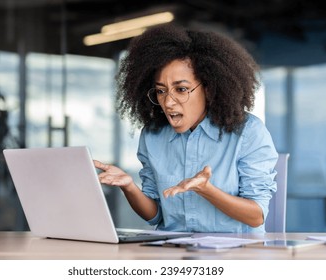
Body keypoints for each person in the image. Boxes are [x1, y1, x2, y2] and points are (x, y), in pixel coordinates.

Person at [94, 24, 278, 233]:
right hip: (173, 253)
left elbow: (256, 216)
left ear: (209, 89)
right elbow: (155, 216)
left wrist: (206, 189)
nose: (168, 102)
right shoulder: (153, 136)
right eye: (161, 91)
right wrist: (129, 187)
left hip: (234, 255)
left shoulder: (247, 132)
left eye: (181, 89)